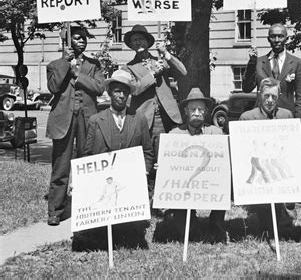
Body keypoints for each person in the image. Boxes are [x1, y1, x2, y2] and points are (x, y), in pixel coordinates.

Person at [72, 69, 154, 251]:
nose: (121, 95)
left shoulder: (138, 119)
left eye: (125, 91)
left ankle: (128, 229)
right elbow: (86, 155)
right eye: (117, 91)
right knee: (102, 235)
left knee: (131, 236)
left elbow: (148, 152)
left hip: (129, 188)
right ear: (109, 93)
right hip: (105, 186)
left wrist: (144, 172)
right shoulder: (95, 120)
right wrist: (82, 181)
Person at [46, 26, 105, 226]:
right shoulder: (55, 65)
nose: (82, 41)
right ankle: (56, 210)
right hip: (64, 119)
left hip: (87, 118)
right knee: (61, 165)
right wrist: (65, 63)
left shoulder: (94, 64)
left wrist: (78, 75)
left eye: (84, 38)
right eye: (77, 38)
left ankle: (86, 206)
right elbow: (53, 87)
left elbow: (99, 88)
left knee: (87, 163)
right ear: (67, 42)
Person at [156, 88, 229, 243]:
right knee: (190, 233)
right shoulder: (174, 135)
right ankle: (189, 223)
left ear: (206, 112)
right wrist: (162, 167)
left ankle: (216, 223)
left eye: (200, 109)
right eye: (192, 109)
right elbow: (168, 166)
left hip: (209, 183)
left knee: (224, 182)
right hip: (183, 187)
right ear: (186, 112)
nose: (197, 113)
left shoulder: (215, 133)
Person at [240, 77, 294, 235]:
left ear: (279, 96)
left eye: (274, 97)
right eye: (266, 96)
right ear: (259, 95)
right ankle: (268, 223)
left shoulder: (286, 116)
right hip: (256, 161)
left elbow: (291, 147)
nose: (270, 100)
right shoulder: (247, 118)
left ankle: (281, 218)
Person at [122, 24, 187, 144]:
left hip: (170, 117)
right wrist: (152, 74)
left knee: (170, 156)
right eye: (134, 40)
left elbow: (183, 72)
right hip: (147, 120)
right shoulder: (128, 68)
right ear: (131, 45)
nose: (138, 42)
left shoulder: (160, 61)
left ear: (147, 42)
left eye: (141, 39)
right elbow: (134, 89)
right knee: (150, 157)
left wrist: (166, 53)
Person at [242, 23, 301, 119]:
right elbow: (247, 88)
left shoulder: (297, 63)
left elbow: (300, 98)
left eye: (280, 36)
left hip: (285, 117)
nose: (276, 40)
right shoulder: (259, 62)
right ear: (268, 39)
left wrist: (298, 121)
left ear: (286, 39)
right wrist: (252, 63)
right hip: (261, 117)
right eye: (273, 36)